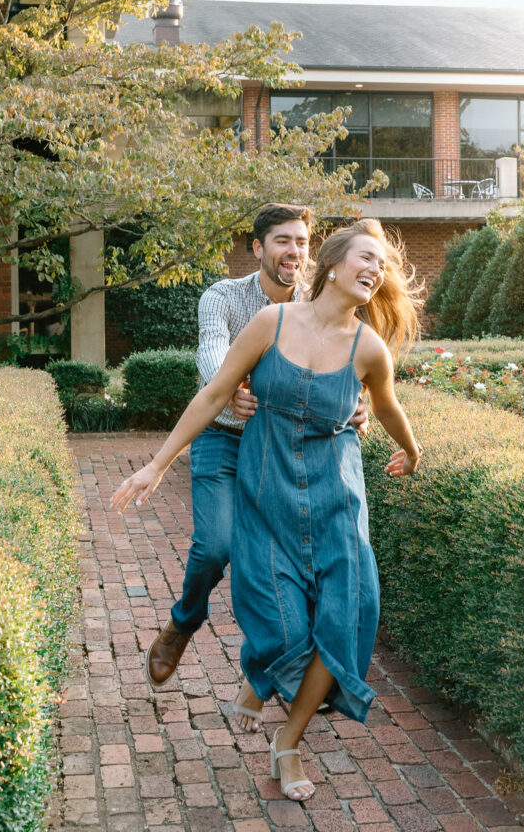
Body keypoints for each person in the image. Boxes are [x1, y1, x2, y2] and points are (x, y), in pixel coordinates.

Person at [112, 218, 422, 802]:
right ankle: (252, 673)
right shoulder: (268, 321)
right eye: (365, 258)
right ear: (332, 266)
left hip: (337, 500)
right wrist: (156, 465)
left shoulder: (369, 347)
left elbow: (386, 406)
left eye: (381, 265)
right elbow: (212, 390)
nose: (376, 270)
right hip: (267, 486)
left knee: (347, 615)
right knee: (276, 623)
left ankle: (289, 740)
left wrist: (411, 448)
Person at [134, 203, 367, 733]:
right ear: (258, 247)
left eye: (302, 241)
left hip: (284, 449)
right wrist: (233, 385)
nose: (294, 251)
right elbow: (212, 356)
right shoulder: (223, 297)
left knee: (291, 563)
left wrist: (360, 407)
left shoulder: (319, 300)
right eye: (283, 240)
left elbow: (350, 364)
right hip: (223, 438)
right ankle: (182, 624)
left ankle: (271, 674)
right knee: (217, 546)